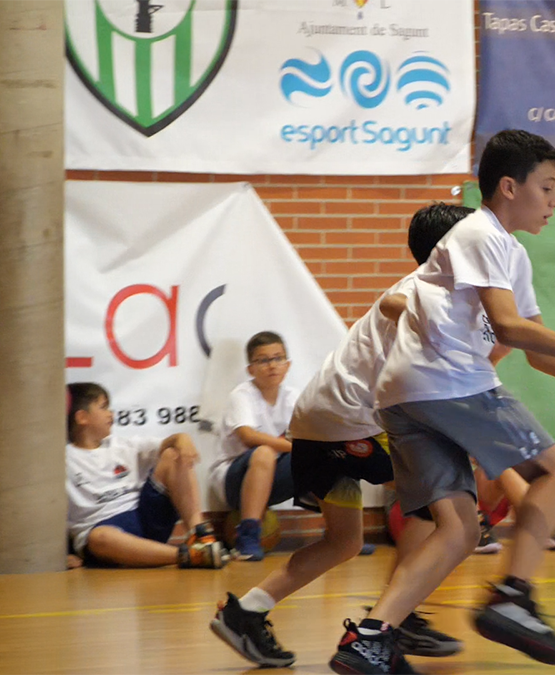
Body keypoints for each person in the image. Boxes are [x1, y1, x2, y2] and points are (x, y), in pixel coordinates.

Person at [332, 129, 555, 675]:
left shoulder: (506, 251)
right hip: (447, 384)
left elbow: (537, 352)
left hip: (405, 395)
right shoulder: (480, 233)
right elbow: (511, 330)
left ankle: (369, 637)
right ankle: (514, 596)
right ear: (510, 186)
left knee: (461, 530)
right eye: (549, 188)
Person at [210, 203, 473, 668]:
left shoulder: (450, 299)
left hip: (317, 424)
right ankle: (397, 618)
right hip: (351, 423)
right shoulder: (424, 293)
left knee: (344, 541)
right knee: (440, 507)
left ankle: (245, 612)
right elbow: (395, 307)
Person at [65, 382, 227, 569]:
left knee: (173, 455)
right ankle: (190, 555)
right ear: (82, 417)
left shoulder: (122, 445)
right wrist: (66, 554)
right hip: (107, 534)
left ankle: (200, 535)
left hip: (143, 518)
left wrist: (181, 438)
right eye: (103, 408)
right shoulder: (64, 461)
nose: (111, 414)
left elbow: (169, 444)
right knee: (99, 538)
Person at [207, 331, 299, 561]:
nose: (272, 366)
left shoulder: (293, 396)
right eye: (263, 360)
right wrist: (295, 448)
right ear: (251, 369)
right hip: (233, 481)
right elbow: (248, 437)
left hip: (270, 478)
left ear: (287, 365)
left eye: (278, 358)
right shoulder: (242, 395)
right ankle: (247, 537)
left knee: (325, 456)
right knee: (264, 452)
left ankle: (341, 535)